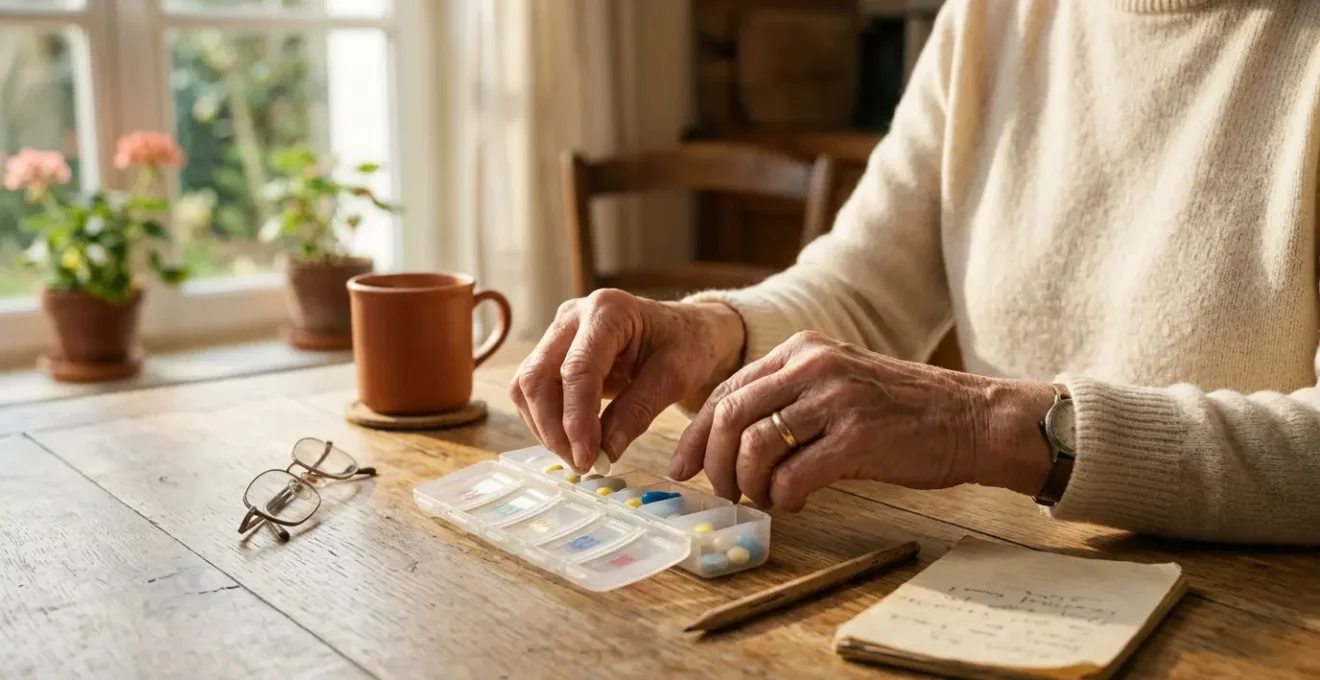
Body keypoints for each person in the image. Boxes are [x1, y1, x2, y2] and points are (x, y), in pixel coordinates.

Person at [511, 0, 1320, 545]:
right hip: (1010, 573)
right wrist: (711, 331)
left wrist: (986, 426)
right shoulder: (991, 17)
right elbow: (862, 287)